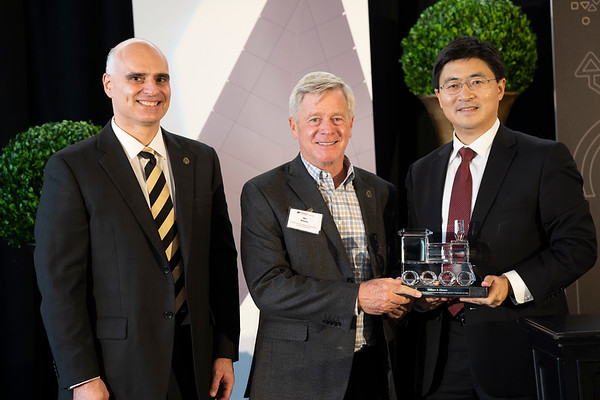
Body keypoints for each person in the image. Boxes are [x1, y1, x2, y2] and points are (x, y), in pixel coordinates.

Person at [34, 38, 240, 400]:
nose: (152, 89)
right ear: (108, 84)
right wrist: (82, 377)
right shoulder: (71, 168)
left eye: (161, 79)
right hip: (115, 370)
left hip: (195, 361)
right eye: (136, 78)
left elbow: (220, 262)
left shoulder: (201, 159)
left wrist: (224, 350)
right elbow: (60, 287)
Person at [405, 36, 597, 399]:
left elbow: (578, 247)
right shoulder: (422, 171)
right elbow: (421, 251)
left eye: (477, 81)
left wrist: (510, 284)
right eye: (452, 85)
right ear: (439, 96)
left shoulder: (544, 158)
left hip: (517, 347)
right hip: (441, 355)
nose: (465, 94)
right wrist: (422, 293)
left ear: (500, 88)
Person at [240, 71, 422, 400]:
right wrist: (357, 297)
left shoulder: (381, 191)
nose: (327, 128)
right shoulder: (265, 192)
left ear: (350, 124)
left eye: (337, 118)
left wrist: (401, 300)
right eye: (314, 119)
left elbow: (393, 269)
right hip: (298, 375)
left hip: (373, 369)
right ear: (294, 126)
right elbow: (269, 287)